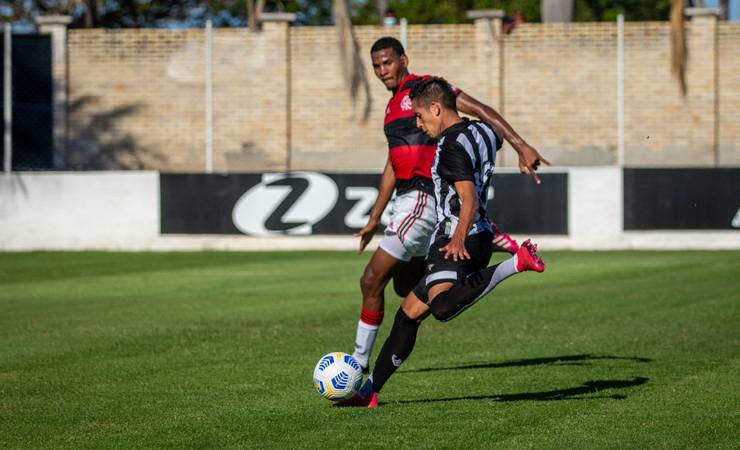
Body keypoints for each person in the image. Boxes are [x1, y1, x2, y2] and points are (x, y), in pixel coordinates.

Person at [339, 77, 546, 408]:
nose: (419, 125)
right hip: (474, 236)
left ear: (436, 108)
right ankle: (369, 392)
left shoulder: (449, 146)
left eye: (421, 117)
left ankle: (516, 262)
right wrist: (522, 145)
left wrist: (458, 238)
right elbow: (494, 123)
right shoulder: (481, 132)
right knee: (408, 313)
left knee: (443, 306)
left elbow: (468, 198)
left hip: (455, 238)